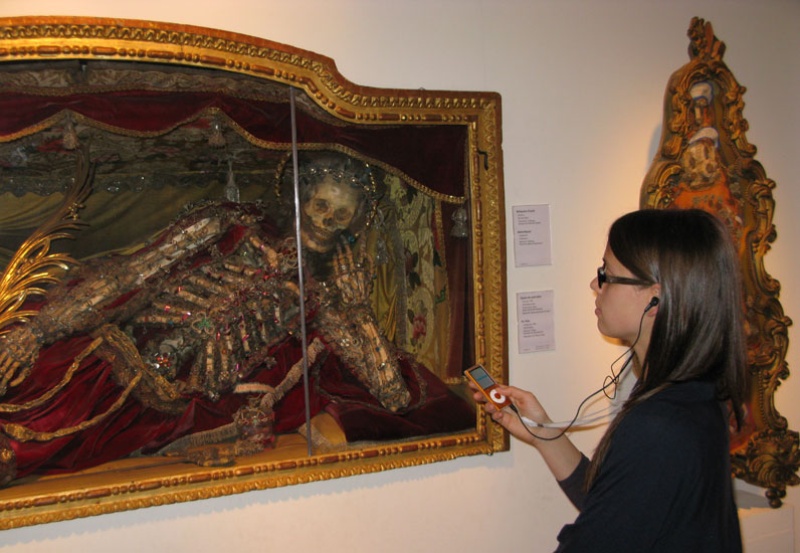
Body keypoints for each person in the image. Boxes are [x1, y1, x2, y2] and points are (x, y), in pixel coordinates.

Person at [0, 150, 474, 484]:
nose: (326, 221)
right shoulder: (231, 225)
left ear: (353, 224)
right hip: (110, 356)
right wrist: (38, 331)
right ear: (300, 198)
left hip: (168, 411)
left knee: (48, 450)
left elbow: (392, 394)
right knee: (34, 399)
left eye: (341, 215)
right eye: (321, 205)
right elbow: (133, 273)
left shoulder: (322, 297)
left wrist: (359, 310)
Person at [472, 208, 745, 552]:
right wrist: (543, 432)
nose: (595, 284)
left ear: (654, 298)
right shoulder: (692, 394)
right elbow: (615, 504)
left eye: (607, 274)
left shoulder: (661, 423)